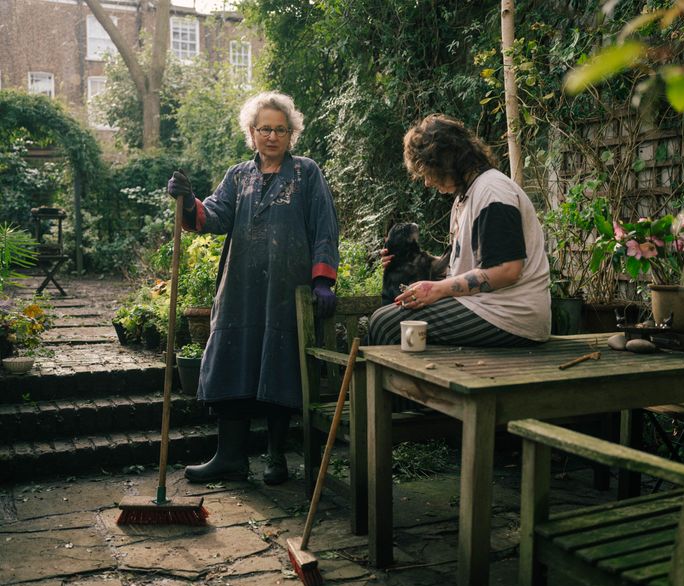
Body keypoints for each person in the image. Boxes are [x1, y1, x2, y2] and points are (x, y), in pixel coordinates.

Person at [167, 91, 339, 485]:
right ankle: (230, 458)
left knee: (278, 365)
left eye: (281, 129)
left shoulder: (306, 172)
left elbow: (325, 226)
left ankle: (276, 457)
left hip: (285, 290)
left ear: (291, 134)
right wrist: (188, 201)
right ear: (252, 132)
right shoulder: (238, 176)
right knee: (234, 361)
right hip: (240, 292)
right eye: (265, 129)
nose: (273, 136)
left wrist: (322, 279)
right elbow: (212, 216)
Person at [369, 114, 550, 346]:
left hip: (510, 314)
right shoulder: (465, 198)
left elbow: (507, 270)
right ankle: (415, 383)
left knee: (386, 324)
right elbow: (463, 267)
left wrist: (438, 289)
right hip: (484, 306)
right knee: (393, 318)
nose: (427, 182)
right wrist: (409, 262)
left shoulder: (493, 193)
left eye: (427, 172)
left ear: (445, 160)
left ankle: (396, 384)